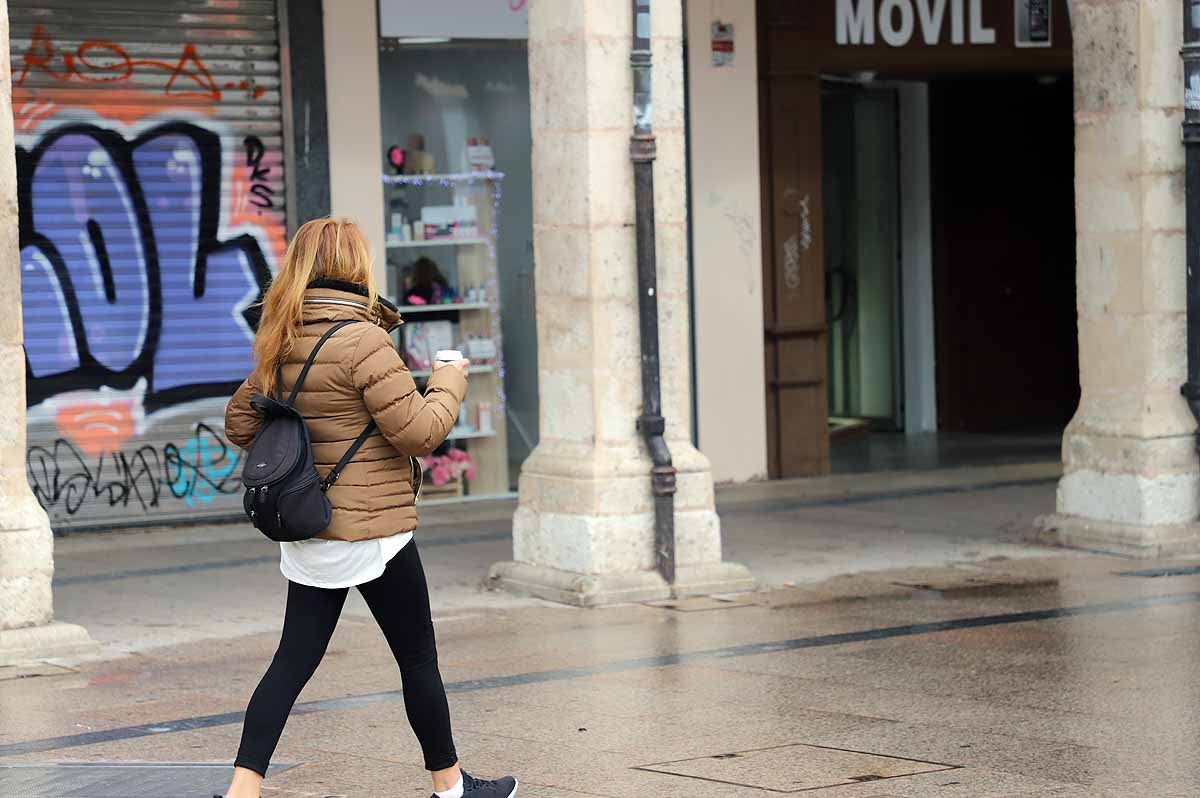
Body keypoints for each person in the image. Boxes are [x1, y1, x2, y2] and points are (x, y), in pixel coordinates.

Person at [221, 218, 517, 798]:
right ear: (356, 265)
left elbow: (239, 422)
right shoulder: (363, 339)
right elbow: (417, 433)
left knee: (291, 662)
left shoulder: (280, 335)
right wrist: (450, 381)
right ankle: (451, 788)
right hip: (376, 531)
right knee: (416, 658)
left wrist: (300, 423)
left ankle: (242, 791)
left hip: (309, 525)